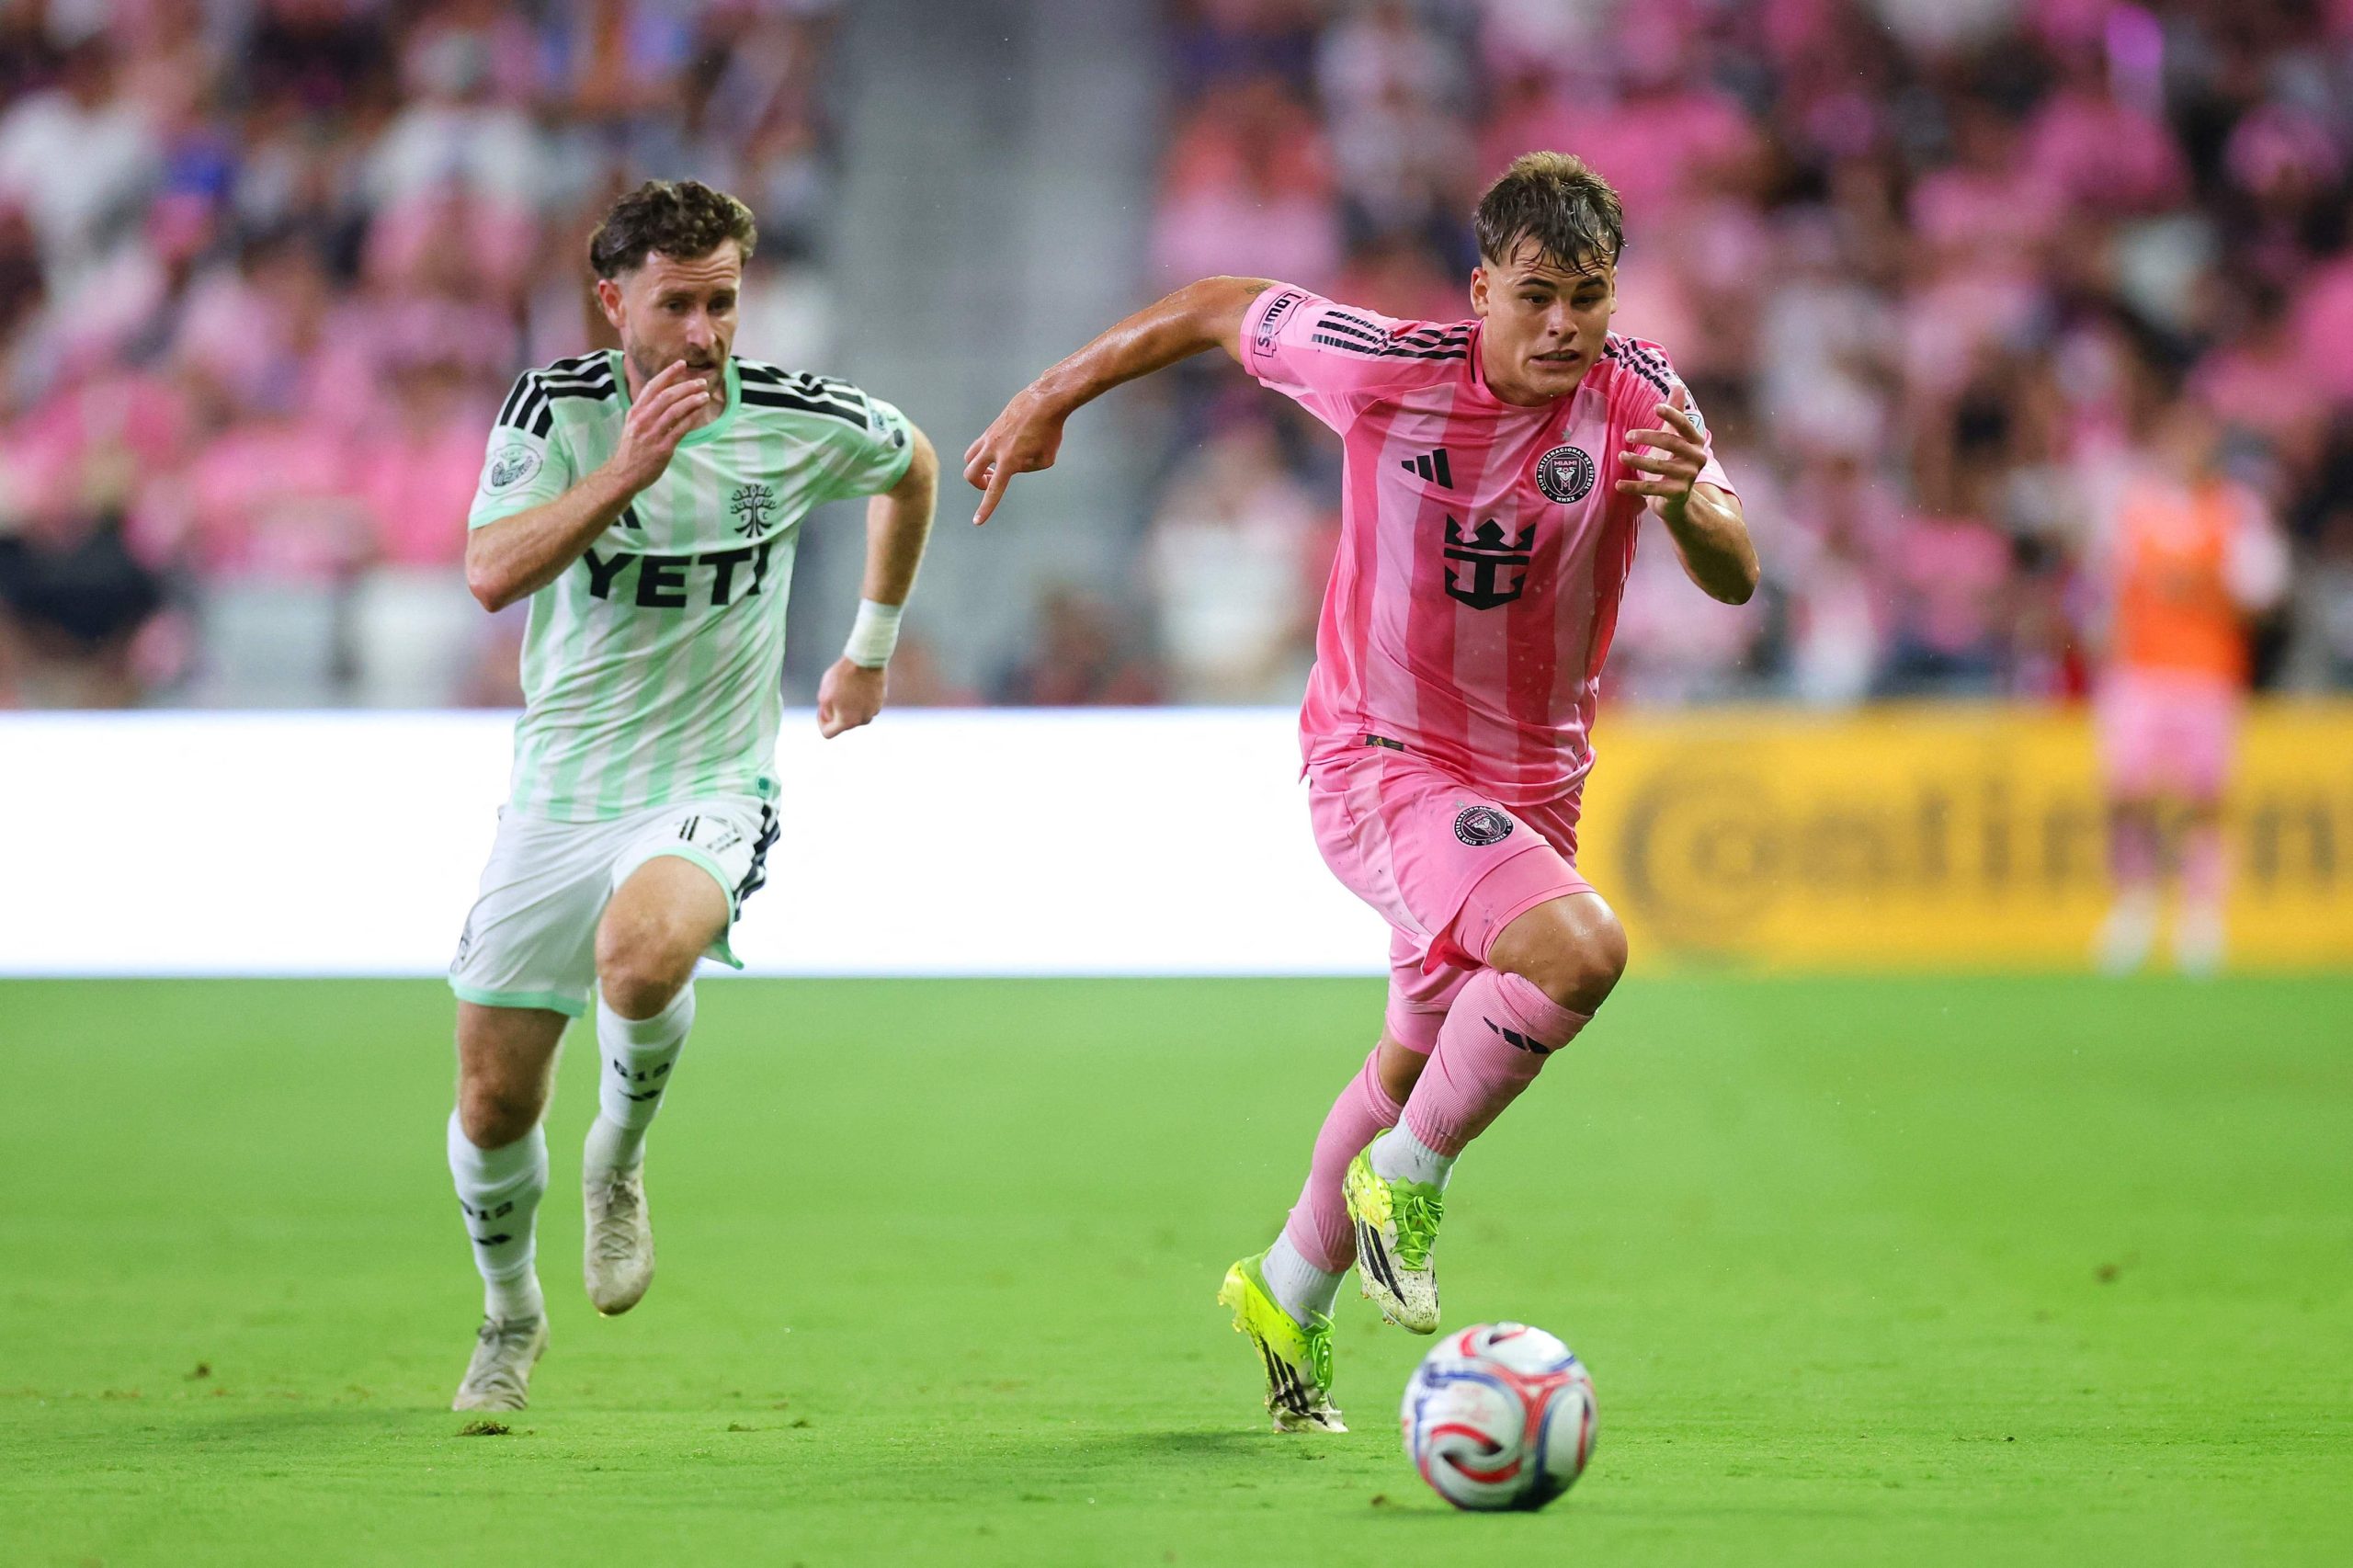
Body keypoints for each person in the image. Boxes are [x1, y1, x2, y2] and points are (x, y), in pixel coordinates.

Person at [965, 153, 1756, 1431]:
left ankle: (1286, 1289)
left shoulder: (1642, 392)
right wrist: (1056, 393)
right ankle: (1408, 1182)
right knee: (1578, 950)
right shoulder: (1382, 363)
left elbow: (1734, 567)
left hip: (1533, 786)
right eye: (1539, 294)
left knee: (1413, 1055)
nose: (1565, 325)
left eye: (1591, 296)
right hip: (1380, 761)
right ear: (1483, 286)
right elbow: (1221, 304)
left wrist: (1688, 509)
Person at [444, 179, 938, 1411]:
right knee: (496, 1098)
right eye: (679, 304)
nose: (708, 332)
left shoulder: (790, 416)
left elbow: (913, 463)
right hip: (561, 787)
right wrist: (628, 471)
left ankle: (618, 1158)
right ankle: (509, 1315)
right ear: (616, 303)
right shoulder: (553, 411)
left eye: (725, 302)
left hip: (712, 775)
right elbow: (490, 573)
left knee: (646, 952)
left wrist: (869, 644)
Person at [2088, 394, 2285, 975]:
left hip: (2205, 675)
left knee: (2204, 800)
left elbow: (2261, 599)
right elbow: (2107, 594)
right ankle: (2135, 906)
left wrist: (2198, 593)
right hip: (2140, 674)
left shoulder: (2235, 513)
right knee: (2129, 795)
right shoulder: (2133, 508)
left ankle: (2201, 915)